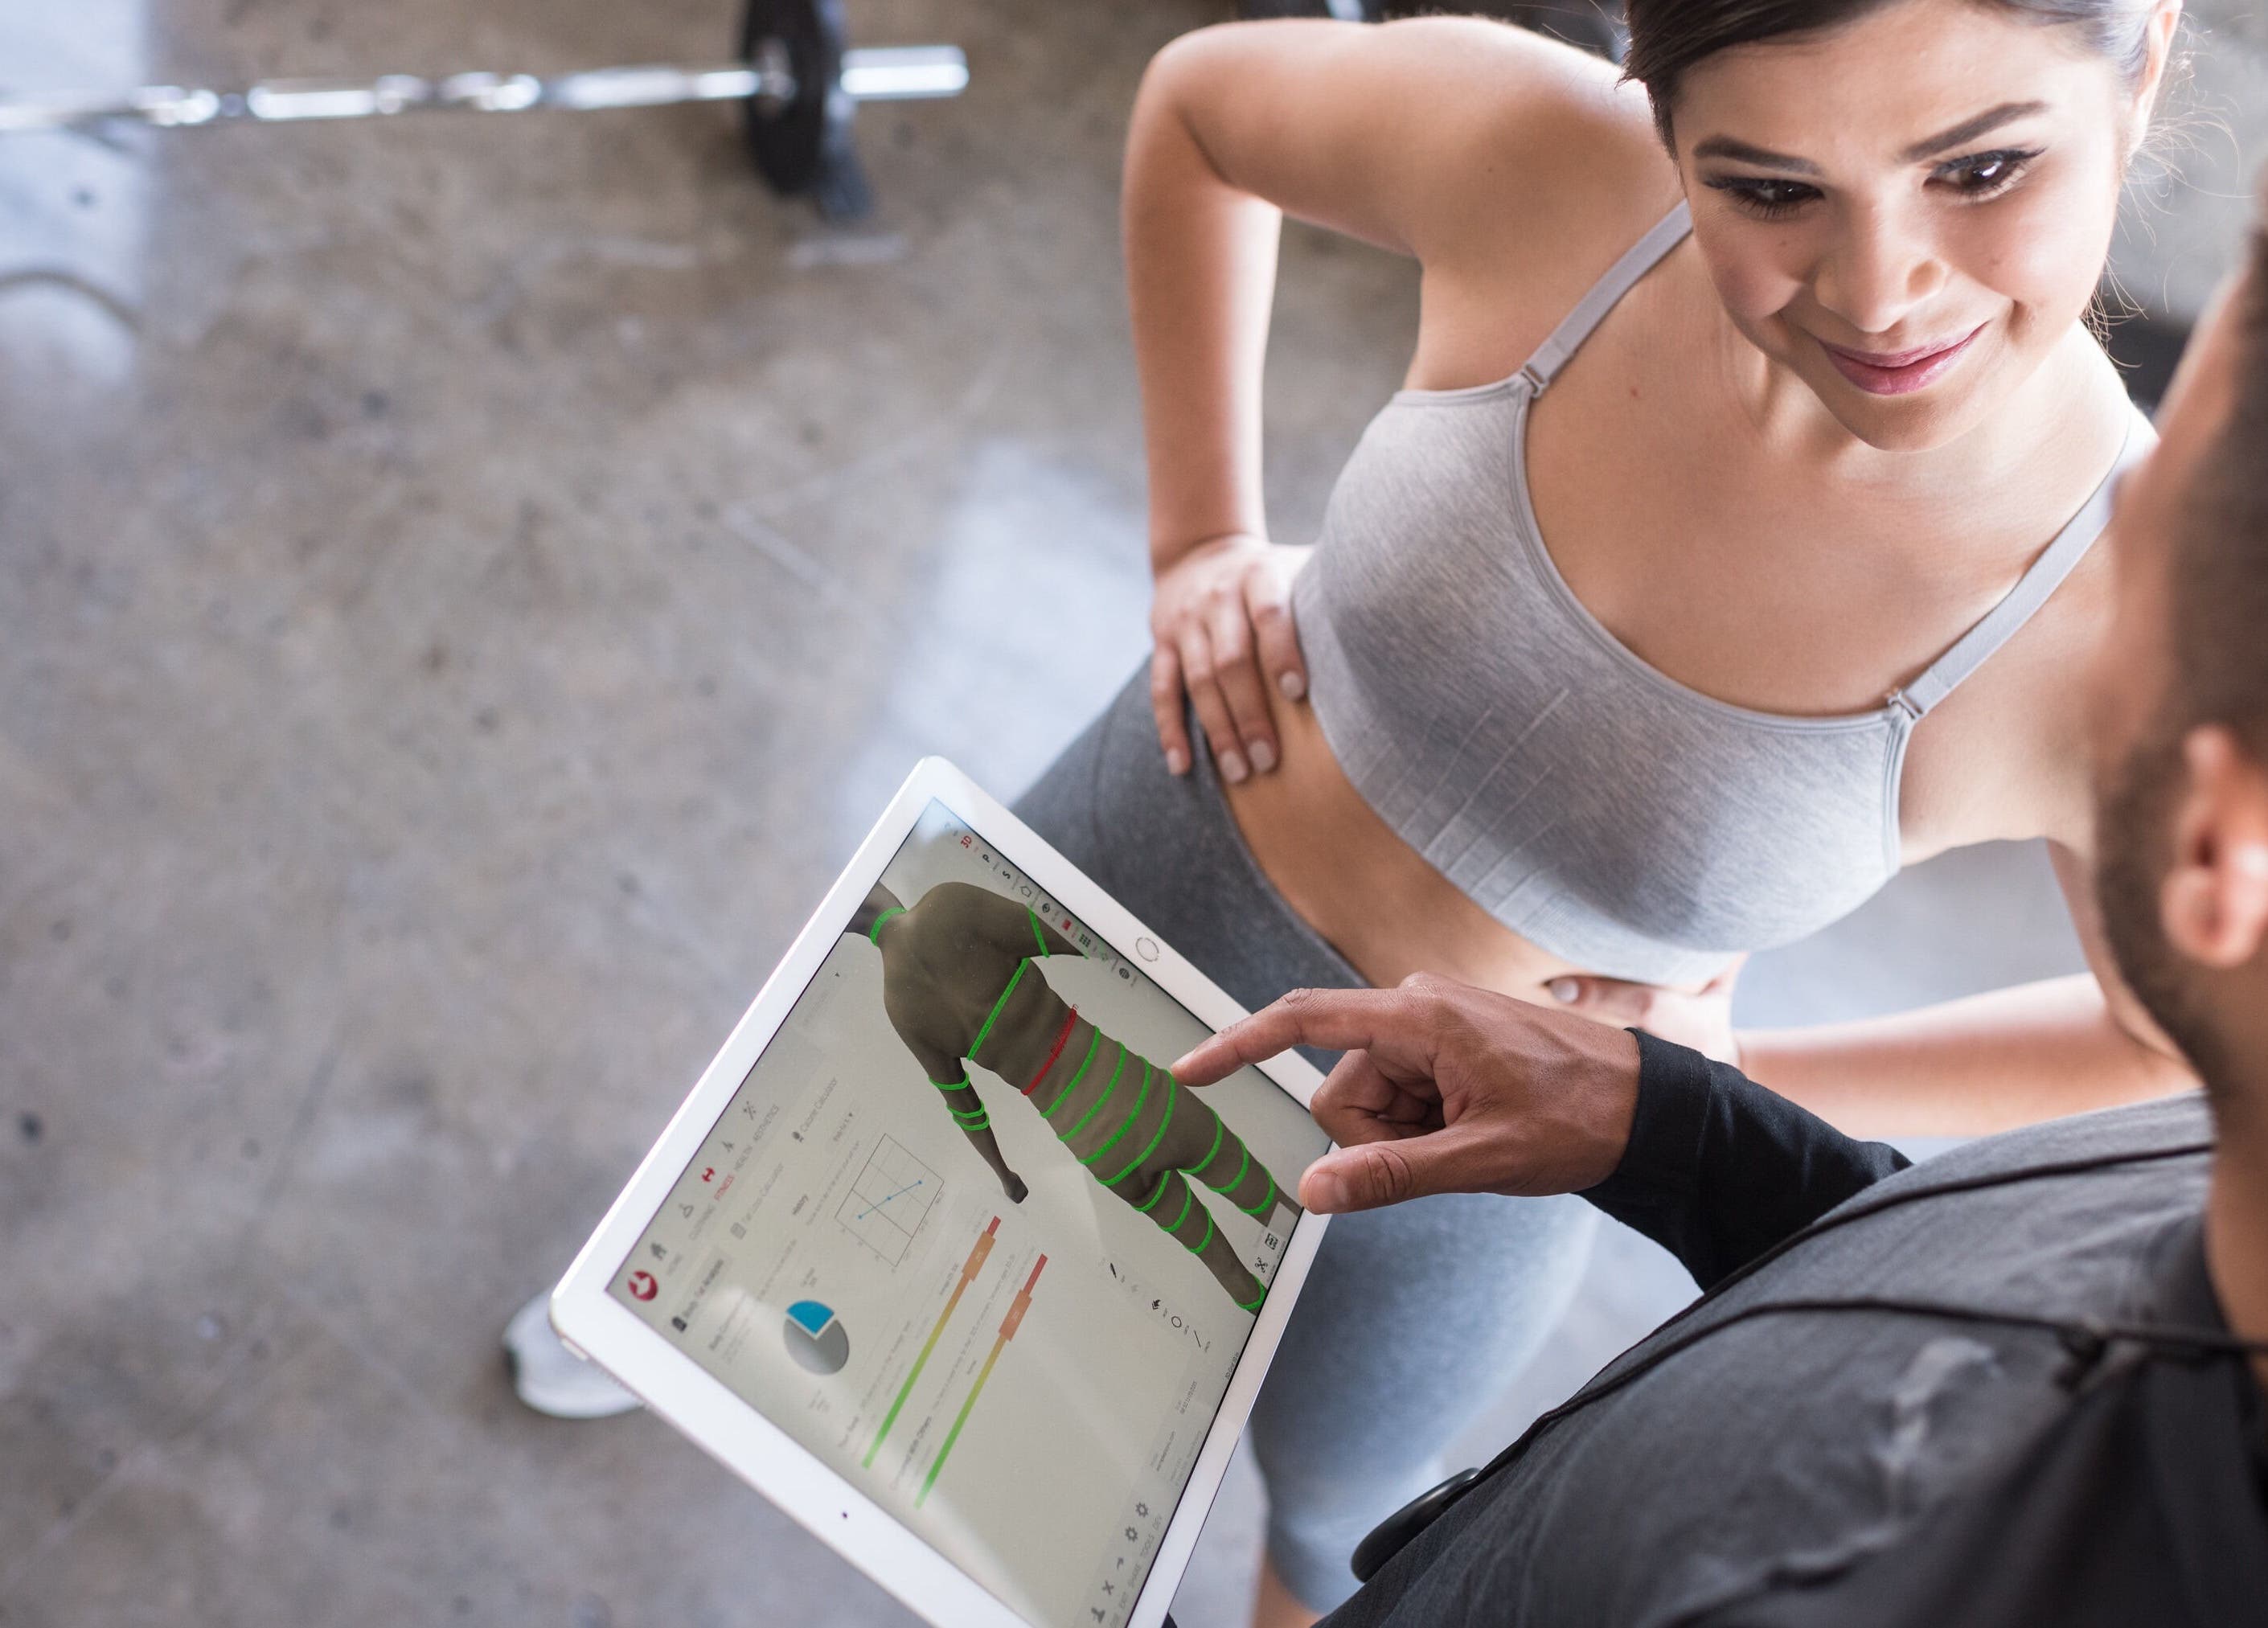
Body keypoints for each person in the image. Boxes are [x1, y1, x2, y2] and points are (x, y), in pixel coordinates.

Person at [1012, 2, 2192, 1618]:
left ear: (2140, 66)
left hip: (1441, 1183)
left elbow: (2164, 1031)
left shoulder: (2131, 619)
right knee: (863, 1292)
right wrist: (1198, 540)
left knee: (1328, 1536)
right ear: (1659, 118)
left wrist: (1717, 1089)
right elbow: (1203, 112)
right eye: (1768, 188)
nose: (1879, 289)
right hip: (1112, 868)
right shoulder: (1545, 159)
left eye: (1980, 167)